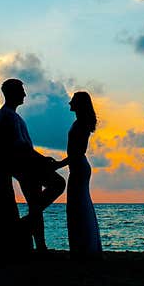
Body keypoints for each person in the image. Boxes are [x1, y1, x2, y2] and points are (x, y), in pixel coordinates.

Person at [0, 78, 65, 251]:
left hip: (27, 165)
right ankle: (22, 228)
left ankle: (40, 245)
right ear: (12, 93)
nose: (24, 94)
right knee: (58, 184)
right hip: (25, 166)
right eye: (21, 91)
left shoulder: (12, 115)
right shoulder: (7, 116)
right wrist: (42, 160)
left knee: (36, 204)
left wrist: (41, 159)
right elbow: (19, 146)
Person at [54, 91, 102, 257]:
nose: (69, 103)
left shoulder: (81, 123)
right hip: (78, 167)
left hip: (79, 168)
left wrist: (60, 164)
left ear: (79, 103)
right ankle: (84, 246)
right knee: (79, 206)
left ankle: (84, 248)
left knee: (78, 206)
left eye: (72, 100)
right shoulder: (80, 122)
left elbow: (78, 152)